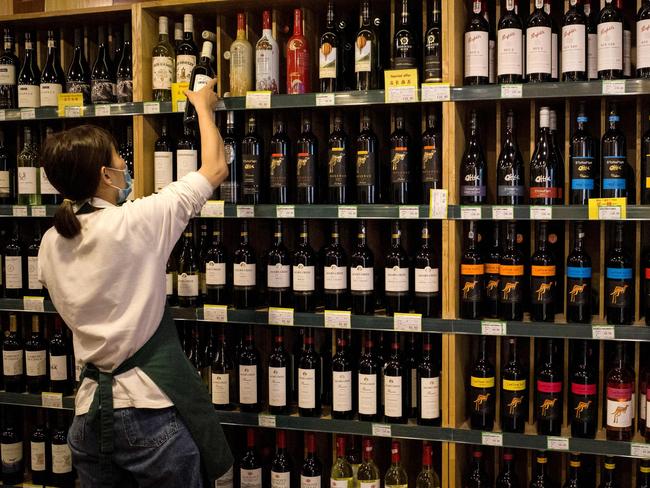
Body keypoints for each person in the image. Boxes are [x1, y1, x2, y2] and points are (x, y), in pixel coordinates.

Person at [37, 78, 232, 488]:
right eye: (119, 158)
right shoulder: (136, 221)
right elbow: (214, 168)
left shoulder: (50, 244)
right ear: (106, 174)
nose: (126, 163)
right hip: (148, 415)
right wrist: (203, 107)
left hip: (88, 417)